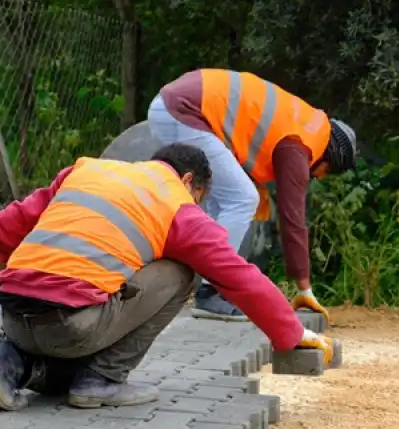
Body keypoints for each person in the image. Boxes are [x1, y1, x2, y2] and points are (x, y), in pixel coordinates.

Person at [0, 143, 337, 411]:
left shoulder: (86, 171)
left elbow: (7, 222)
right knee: (183, 273)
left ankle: (10, 359)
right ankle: (102, 379)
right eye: (199, 198)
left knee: (71, 292)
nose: (196, 207)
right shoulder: (177, 205)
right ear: (189, 181)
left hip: (12, 313)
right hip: (70, 326)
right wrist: (293, 333)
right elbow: (239, 277)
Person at [147, 69, 357, 323]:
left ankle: (190, 286)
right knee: (242, 198)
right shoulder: (298, 145)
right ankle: (211, 292)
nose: (321, 177)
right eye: (328, 171)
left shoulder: (302, 124)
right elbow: (293, 220)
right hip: (184, 111)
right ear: (330, 155)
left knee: (219, 204)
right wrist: (304, 287)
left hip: (175, 106)